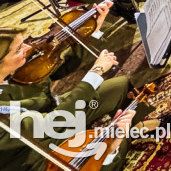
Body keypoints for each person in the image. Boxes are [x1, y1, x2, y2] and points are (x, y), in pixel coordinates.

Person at [0, 9, 148, 171]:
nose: (28, 48)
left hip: (51, 119)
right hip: (36, 154)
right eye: (18, 49)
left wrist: (90, 31)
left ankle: (138, 127)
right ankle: (115, 156)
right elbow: (53, 123)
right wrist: (96, 71)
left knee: (120, 86)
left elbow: (63, 65)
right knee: (114, 143)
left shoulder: (16, 73)